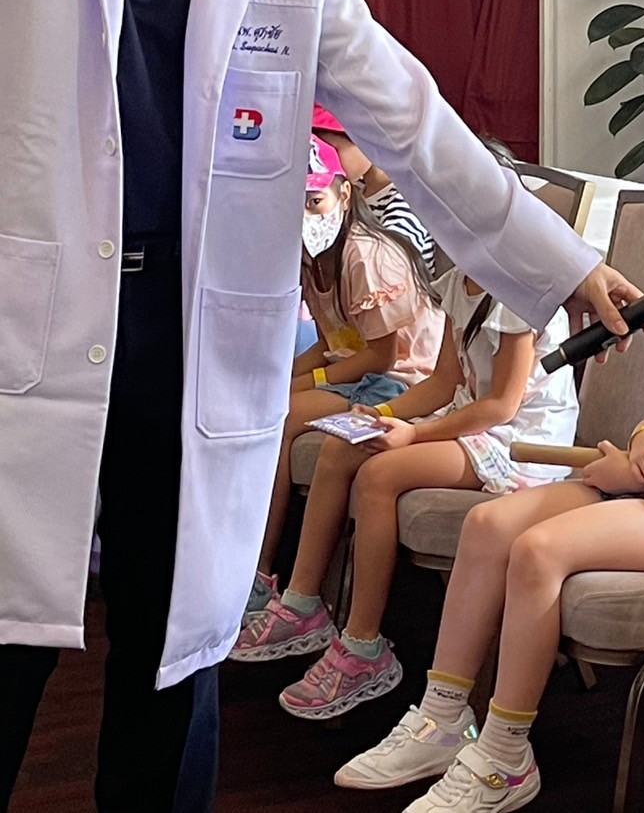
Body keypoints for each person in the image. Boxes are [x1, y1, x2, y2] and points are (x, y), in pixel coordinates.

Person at [0, 0, 637, 813]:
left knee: (174, 640)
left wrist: (558, 264)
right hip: (34, 309)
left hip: (193, 326)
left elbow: (411, 118)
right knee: (7, 632)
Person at [330, 188, 644, 809]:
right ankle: (442, 716)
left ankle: (504, 755)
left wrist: (636, 474)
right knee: (489, 525)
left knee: (540, 549)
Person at [231, 152, 580, 717]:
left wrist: (412, 437)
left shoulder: (518, 289)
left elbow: (502, 405)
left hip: (518, 445)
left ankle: (362, 646)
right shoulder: (460, 281)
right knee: (348, 443)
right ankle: (302, 603)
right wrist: (385, 417)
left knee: (381, 472)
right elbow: (444, 381)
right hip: (472, 422)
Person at [243, 135, 445, 618]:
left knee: (279, 415)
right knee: (260, 401)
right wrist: (285, 375)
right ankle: (247, 564)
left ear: (344, 194)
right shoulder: (310, 258)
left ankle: (259, 573)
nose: (306, 216)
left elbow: (380, 356)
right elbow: (332, 339)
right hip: (354, 370)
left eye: (315, 201)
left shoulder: (366, 255)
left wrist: (304, 383)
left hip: (400, 379)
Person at [311, 103, 436, 269]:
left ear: (366, 140)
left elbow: (386, 269)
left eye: (332, 150)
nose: (326, 163)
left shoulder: (407, 208)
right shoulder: (356, 187)